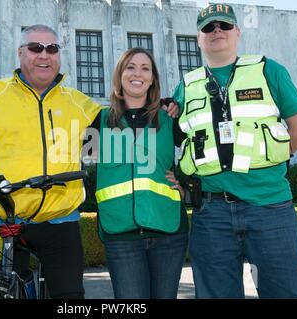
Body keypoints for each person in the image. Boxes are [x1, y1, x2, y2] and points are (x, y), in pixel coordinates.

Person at [169, 3, 297, 298]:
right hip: (211, 214)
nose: (216, 31)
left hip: (269, 207)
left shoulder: (268, 70)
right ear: (199, 38)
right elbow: (177, 139)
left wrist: (274, 162)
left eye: (224, 25)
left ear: (237, 32)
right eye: (208, 27)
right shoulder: (186, 86)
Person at [0, 24, 101, 299]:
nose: (45, 55)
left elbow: (120, 131)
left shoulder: (80, 104)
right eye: (35, 48)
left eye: (52, 48)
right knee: (3, 288)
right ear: (20, 53)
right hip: (6, 218)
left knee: (70, 298)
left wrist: (157, 107)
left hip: (60, 222)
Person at [93, 47, 189, 299]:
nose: (138, 73)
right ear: (120, 75)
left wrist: (188, 183)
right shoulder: (99, 121)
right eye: (130, 67)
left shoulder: (170, 119)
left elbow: (201, 153)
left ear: (153, 79)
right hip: (120, 234)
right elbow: (65, 157)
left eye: (145, 68)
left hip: (168, 231)